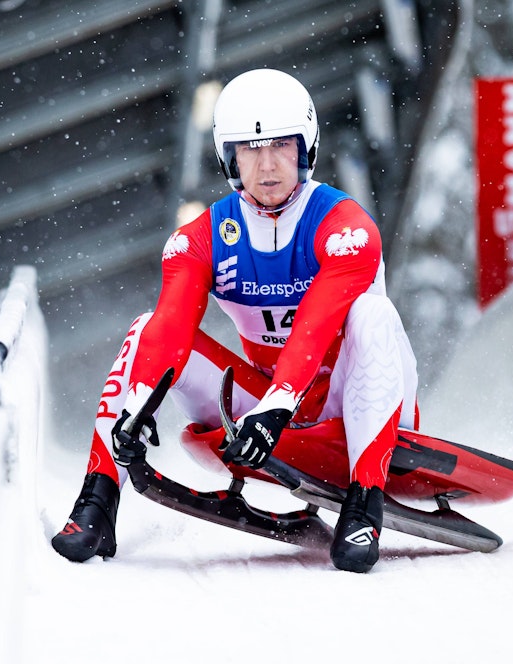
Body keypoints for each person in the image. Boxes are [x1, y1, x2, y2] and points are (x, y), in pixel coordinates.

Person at [51, 68, 418, 573]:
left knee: (372, 313)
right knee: (143, 330)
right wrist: (138, 406)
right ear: (229, 156)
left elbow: (315, 323)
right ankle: (97, 500)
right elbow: (172, 325)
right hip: (269, 404)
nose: (266, 165)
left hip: (356, 401)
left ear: (306, 147)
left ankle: (364, 505)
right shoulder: (198, 239)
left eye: (281, 146)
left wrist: (278, 405)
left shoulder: (347, 227)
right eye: (249, 149)